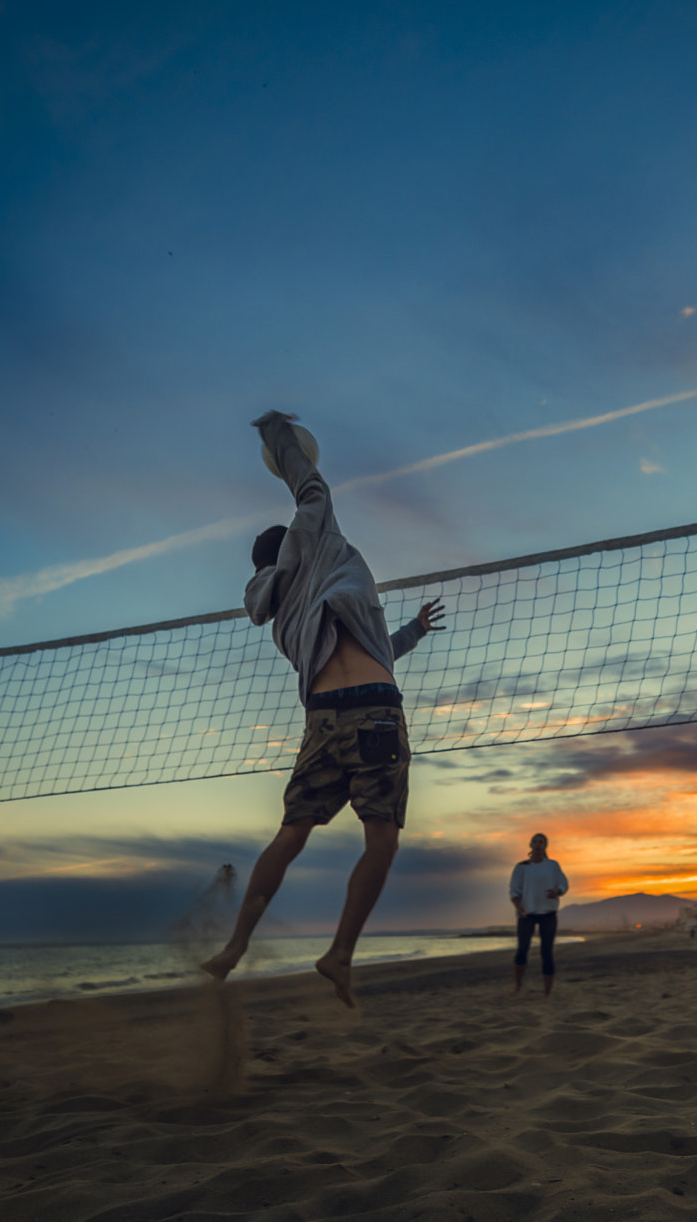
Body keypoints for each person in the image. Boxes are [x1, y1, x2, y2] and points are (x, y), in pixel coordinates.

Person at [202, 410, 445, 1005]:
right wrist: (275, 432)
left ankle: (235, 946)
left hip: (322, 719)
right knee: (380, 843)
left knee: (290, 835)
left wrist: (411, 633)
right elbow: (309, 484)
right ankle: (339, 953)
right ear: (293, 542)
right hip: (375, 714)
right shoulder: (316, 541)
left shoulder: (279, 614)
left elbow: (371, 649)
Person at [509, 833, 568, 996]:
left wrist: (557, 890)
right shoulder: (521, 867)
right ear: (530, 845)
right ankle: (517, 986)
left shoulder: (552, 865)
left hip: (548, 913)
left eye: (541, 842)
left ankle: (547, 991)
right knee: (522, 949)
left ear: (545, 845)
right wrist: (518, 906)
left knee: (546, 951)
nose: (537, 844)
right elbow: (514, 890)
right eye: (534, 841)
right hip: (526, 913)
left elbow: (563, 883)